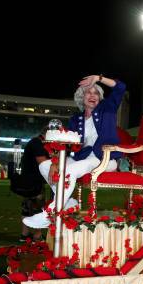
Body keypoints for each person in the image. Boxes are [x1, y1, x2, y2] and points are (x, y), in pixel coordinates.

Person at [23, 75, 125, 229]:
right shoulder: (75, 119)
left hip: (105, 159)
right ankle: (68, 201)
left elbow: (121, 87)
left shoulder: (107, 109)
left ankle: (49, 214)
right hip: (82, 158)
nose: (92, 95)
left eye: (96, 93)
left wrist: (98, 78)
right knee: (44, 166)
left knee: (70, 170)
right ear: (81, 97)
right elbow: (67, 144)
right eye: (88, 93)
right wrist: (55, 163)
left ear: (100, 97)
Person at [10, 127, 50, 242]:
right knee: (37, 208)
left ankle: (24, 234)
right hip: (34, 181)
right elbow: (42, 162)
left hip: (28, 180)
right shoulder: (37, 143)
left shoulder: (34, 142)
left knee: (27, 208)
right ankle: (37, 235)